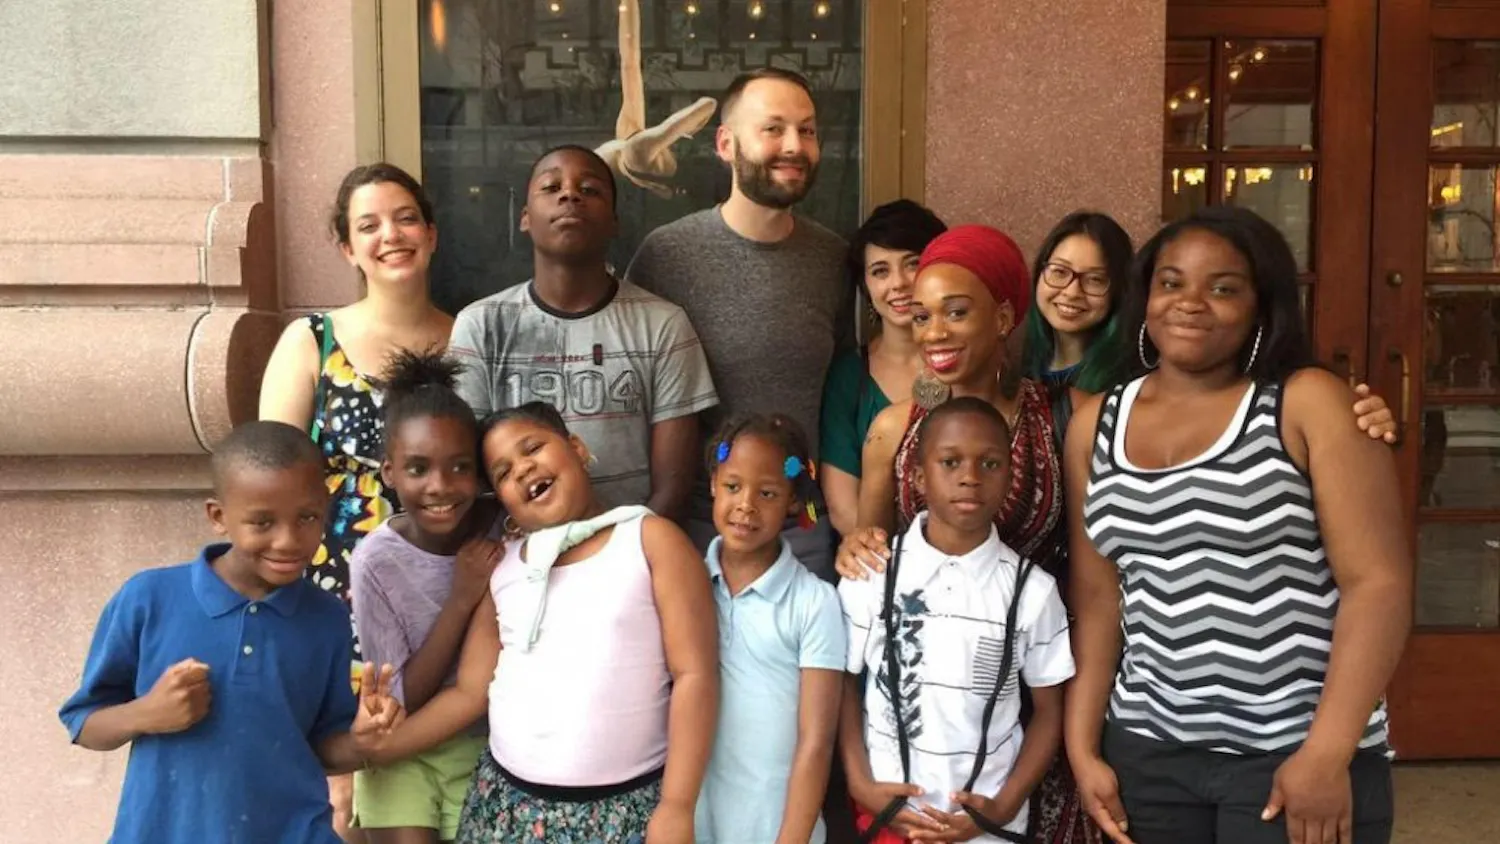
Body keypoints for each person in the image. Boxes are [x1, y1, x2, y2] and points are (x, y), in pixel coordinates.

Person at [1063, 207, 1411, 844]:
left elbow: (1378, 586)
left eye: (1223, 287)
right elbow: (1097, 601)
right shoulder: (1096, 425)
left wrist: (1327, 754)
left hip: (1295, 755)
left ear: (1261, 305)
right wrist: (1084, 749)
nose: (1190, 303)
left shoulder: (1307, 403)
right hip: (1148, 752)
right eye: (1171, 283)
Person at [364, 402, 719, 844]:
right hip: (507, 811)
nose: (524, 469)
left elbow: (695, 675)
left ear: (577, 448)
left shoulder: (647, 540)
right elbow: (470, 693)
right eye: (503, 473)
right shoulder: (507, 565)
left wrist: (677, 805)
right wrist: (371, 750)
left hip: (625, 810)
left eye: (533, 447)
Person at [58, 421, 404, 844]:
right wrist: (148, 713)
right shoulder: (148, 599)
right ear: (218, 517)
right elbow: (84, 724)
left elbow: (320, 748)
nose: (288, 540)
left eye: (308, 517)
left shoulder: (327, 617)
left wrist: (361, 741)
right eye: (262, 523)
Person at [260, 162, 453, 839]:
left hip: (438, 593)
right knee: (337, 803)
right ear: (347, 248)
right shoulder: (310, 340)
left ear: (430, 233)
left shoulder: (472, 339)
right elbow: (270, 482)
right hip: (329, 596)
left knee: (428, 791)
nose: (390, 235)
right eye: (367, 225)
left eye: (404, 218)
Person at [626, 67, 854, 578]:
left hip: (804, 524)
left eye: (808, 130)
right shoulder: (667, 256)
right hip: (695, 528)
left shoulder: (833, 258)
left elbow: (841, 394)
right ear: (726, 144)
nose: (794, 145)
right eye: (773, 128)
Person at [840, 398, 1074, 843]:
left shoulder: (1033, 591)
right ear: (918, 476)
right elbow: (843, 686)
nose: (970, 477)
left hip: (986, 827)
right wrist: (859, 783)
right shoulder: (873, 575)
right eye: (950, 462)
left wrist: (1003, 807)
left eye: (990, 463)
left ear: (1010, 476)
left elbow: (1049, 710)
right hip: (892, 815)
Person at [448, 145, 718, 522]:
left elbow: (671, 489)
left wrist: (623, 556)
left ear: (614, 220)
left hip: (632, 557)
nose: (569, 194)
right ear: (525, 217)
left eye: (589, 189)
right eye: (551, 187)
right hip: (521, 562)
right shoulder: (480, 326)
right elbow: (467, 473)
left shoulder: (663, 325)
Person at [348, 351, 503, 843]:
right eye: (418, 469)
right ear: (389, 472)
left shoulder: (501, 526)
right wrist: (461, 598)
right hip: (402, 750)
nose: (440, 487)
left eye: (459, 467)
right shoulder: (375, 562)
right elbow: (400, 700)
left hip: (483, 745)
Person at [696, 414, 846, 843]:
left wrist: (792, 838)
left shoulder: (816, 603)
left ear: (793, 501)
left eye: (766, 493)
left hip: (778, 827)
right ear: (712, 484)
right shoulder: (686, 585)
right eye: (732, 486)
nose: (746, 504)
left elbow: (817, 740)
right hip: (695, 823)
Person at [820, 200, 949, 536]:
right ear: (864, 285)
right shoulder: (849, 375)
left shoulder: (966, 361)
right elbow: (843, 508)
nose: (899, 283)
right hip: (878, 565)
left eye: (913, 264)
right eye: (880, 271)